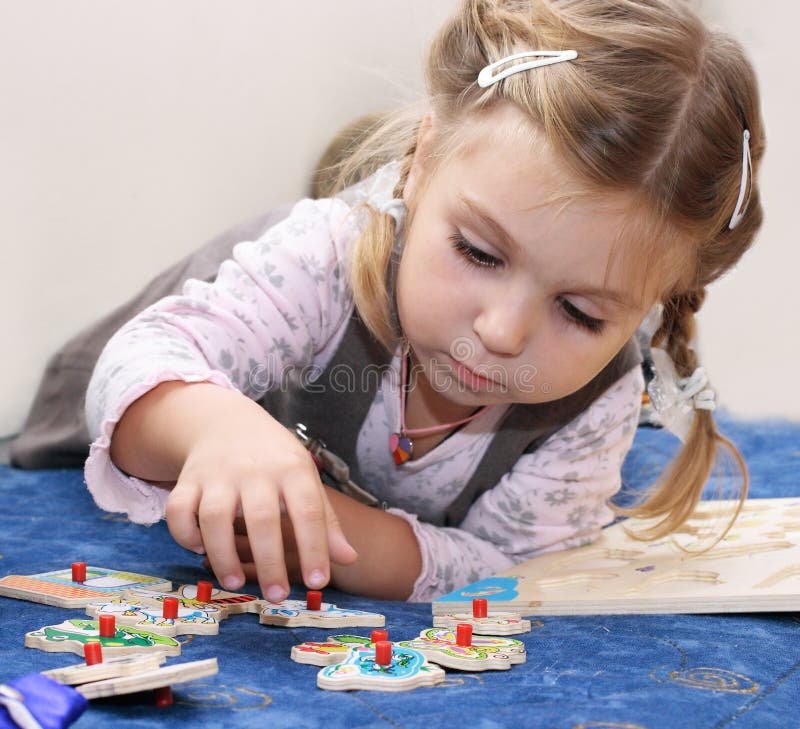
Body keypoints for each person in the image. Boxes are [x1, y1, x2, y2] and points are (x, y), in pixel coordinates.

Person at [83, 0, 764, 604]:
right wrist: (214, 429)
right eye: (478, 253)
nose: (501, 331)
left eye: (580, 313)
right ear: (424, 155)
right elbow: (135, 369)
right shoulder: (326, 258)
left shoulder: (599, 400)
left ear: (650, 306)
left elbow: (509, 567)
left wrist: (326, 525)